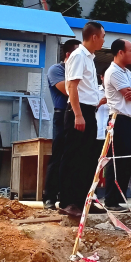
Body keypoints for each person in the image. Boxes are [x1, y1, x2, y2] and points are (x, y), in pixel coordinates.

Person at [58, 22, 106, 217]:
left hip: (89, 111)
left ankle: (84, 201)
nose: (103, 40)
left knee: (88, 158)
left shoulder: (89, 58)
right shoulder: (78, 55)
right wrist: (78, 114)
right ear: (94, 37)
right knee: (73, 156)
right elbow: (72, 86)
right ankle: (67, 201)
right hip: (78, 112)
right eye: (102, 36)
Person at [103, 39, 131, 211]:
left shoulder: (127, 71)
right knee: (116, 162)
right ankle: (111, 200)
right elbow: (129, 94)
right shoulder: (114, 72)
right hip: (118, 120)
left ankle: (119, 198)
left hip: (129, 121)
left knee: (126, 162)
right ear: (120, 52)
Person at [42, 39, 80, 209]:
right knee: (58, 155)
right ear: (68, 55)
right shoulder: (56, 70)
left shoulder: (81, 71)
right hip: (62, 113)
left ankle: (69, 196)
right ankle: (49, 196)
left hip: (78, 114)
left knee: (74, 157)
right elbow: (69, 90)